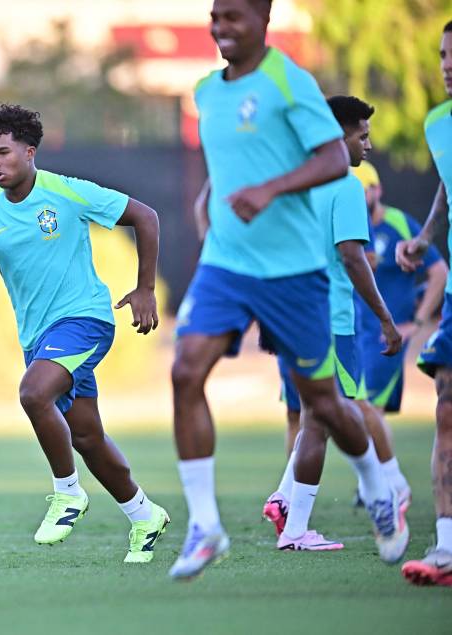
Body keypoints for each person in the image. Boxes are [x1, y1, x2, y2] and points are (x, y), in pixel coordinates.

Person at [170, 0, 406, 580]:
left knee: (322, 404)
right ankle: (204, 526)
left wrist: (272, 190)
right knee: (184, 371)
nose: (222, 25)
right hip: (227, 265)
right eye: (215, 15)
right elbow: (217, 179)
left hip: (294, 273)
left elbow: (332, 158)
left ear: (263, 19)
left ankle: (378, 487)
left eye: (235, 16)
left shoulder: (288, 81)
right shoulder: (205, 91)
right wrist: (213, 228)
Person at [0, 104, 170, 561]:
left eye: (3, 152)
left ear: (29, 151)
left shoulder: (66, 192)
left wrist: (144, 289)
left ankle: (68, 493)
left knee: (33, 394)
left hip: (85, 320)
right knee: (86, 437)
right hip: (39, 338)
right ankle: (144, 515)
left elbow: (146, 216)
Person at [261, 96, 402, 552]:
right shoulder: (344, 185)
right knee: (330, 415)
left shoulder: (296, 182)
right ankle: (299, 520)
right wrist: (385, 318)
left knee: (315, 415)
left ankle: (286, 502)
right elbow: (352, 257)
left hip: (293, 316)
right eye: (362, 135)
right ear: (338, 136)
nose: (368, 145)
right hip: (332, 321)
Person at [352, 160, 446, 506]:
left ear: (377, 190)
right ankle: (377, 485)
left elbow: (439, 273)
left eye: (364, 189)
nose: (359, 196)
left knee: (369, 407)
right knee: (356, 410)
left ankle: (388, 486)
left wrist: (417, 323)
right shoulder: (347, 227)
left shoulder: (399, 224)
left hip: (385, 338)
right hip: (355, 334)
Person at [395, 19, 452, 588]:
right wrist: (426, 237)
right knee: (445, 405)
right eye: (442, 55)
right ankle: (446, 546)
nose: (447, 65)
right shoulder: (438, 122)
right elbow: (446, 184)